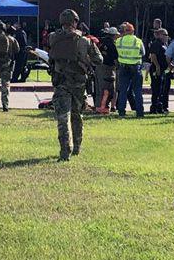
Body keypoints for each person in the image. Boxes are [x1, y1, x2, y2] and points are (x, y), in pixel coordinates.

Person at [48, 9, 102, 161]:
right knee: (77, 115)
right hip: (78, 83)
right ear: (75, 21)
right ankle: (77, 147)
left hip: (61, 82)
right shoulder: (84, 41)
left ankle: (65, 150)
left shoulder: (53, 38)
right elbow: (99, 59)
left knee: (63, 116)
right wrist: (86, 61)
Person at [115, 22, 145, 118]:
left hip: (123, 67)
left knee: (123, 90)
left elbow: (117, 52)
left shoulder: (119, 41)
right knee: (137, 90)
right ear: (133, 31)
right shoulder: (138, 41)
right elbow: (143, 53)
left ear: (125, 31)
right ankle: (139, 112)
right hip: (135, 67)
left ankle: (121, 112)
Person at [94, 27, 119, 114]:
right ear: (114, 35)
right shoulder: (112, 44)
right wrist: (118, 67)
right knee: (107, 88)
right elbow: (115, 59)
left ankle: (98, 106)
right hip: (108, 68)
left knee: (99, 88)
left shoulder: (101, 42)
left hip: (98, 66)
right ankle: (103, 107)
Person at [148, 28, 171, 114]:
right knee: (156, 89)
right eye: (165, 35)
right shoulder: (156, 44)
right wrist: (157, 66)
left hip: (163, 70)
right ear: (160, 35)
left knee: (161, 89)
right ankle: (154, 108)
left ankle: (160, 107)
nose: (167, 37)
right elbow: (153, 55)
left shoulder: (164, 44)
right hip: (156, 69)